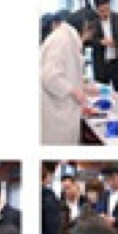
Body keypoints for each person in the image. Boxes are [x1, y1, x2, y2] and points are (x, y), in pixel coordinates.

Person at [39, 10, 93, 146]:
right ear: (85, 26)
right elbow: (50, 77)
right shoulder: (63, 41)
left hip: (61, 106)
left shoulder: (66, 38)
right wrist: (74, 91)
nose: (89, 37)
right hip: (57, 109)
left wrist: (80, 87)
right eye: (90, 32)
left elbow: (65, 72)